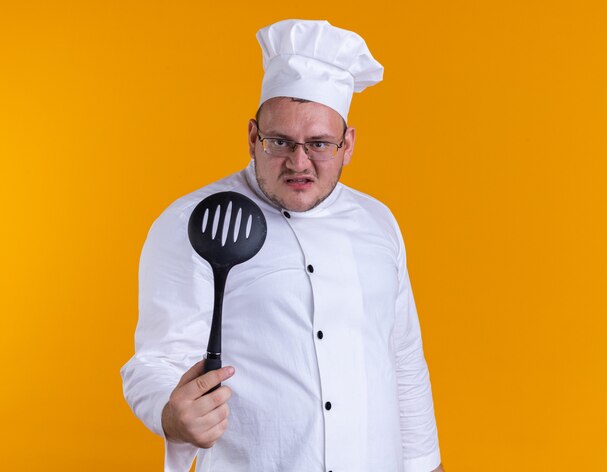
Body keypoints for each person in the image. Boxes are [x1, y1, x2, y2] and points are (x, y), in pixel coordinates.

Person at [121, 19, 443, 472]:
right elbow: (156, 360)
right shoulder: (194, 222)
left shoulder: (379, 223)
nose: (299, 162)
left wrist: (426, 464)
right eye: (279, 142)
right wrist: (170, 414)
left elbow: (403, 359)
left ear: (347, 145)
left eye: (319, 144)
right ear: (253, 136)